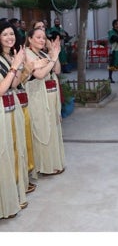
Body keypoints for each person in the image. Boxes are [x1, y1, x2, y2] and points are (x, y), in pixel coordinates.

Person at [25, 28, 65, 177]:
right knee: (42, 130)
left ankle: (54, 163)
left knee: (52, 129)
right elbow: (40, 74)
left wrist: (56, 54)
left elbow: (57, 70)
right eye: (38, 37)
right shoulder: (27, 54)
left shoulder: (42, 53)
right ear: (30, 39)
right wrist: (52, 58)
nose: (42, 40)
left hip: (50, 97)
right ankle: (44, 166)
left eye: (43, 38)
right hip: (37, 98)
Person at [0, 20, 30, 218]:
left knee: (14, 151)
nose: (10, 37)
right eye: (5, 34)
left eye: (12, 34)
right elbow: (1, 89)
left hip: (12, 107)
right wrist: (14, 67)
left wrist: (18, 65)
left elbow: (15, 83)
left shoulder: (9, 55)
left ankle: (14, 196)